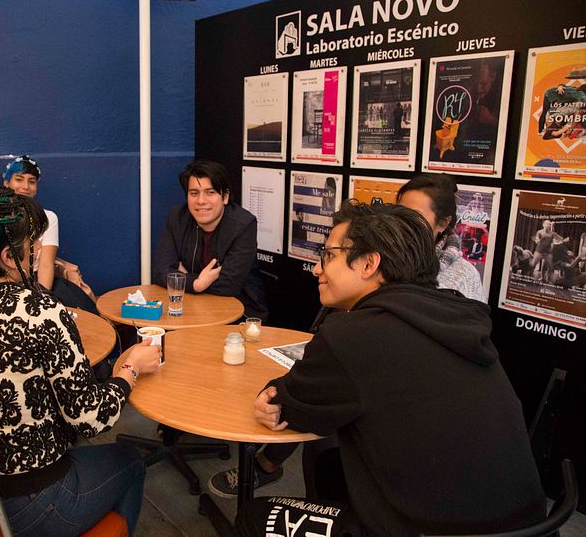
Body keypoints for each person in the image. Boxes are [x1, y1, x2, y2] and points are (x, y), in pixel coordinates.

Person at [236, 201, 546, 536]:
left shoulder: (351, 335)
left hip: (425, 531)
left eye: (329, 255)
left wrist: (274, 394)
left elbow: (286, 405)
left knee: (253, 515)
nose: (316, 269)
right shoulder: (459, 317)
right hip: (529, 525)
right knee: (329, 457)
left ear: (369, 263)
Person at [0, 185, 162, 536]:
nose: (39, 251)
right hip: (27, 502)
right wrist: (129, 370)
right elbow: (90, 420)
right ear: (10, 257)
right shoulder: (39, 310)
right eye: (34, 244)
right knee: (129, 462)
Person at [153, 159, 268, 322]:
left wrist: (183, 277)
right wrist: (196, 283)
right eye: (194, 193)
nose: (201, 201)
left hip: (239, 317)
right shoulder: (177, 218)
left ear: (225, 196)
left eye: (210, 192)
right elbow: (161, 271)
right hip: (191, 311)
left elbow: (229, 285)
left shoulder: (244, 224)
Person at [3, 155, 97, 312]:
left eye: (31, 181)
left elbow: (46, 264)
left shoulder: (48, 218)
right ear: (6, 183)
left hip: (37, 282)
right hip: (5, 284)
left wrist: (41, 299)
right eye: (19, 179)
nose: (25, 186)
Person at [397, 173, 486, 301]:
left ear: (443, 223)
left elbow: (474, 320)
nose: (401, 221)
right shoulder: (377, 258)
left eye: (414, 215)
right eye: (399, 211)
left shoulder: (464, 276)